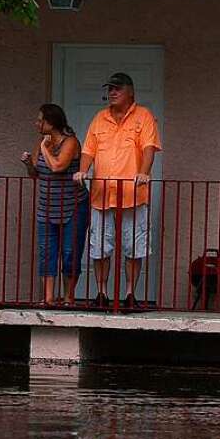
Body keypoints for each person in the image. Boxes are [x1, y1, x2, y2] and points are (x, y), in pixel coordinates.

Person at [74, 72, 161, 311]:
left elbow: (149, 148)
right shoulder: (99, 118)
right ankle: (102, 292)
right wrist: (82, 170)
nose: (112, 92)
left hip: (133, 194)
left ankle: (130, 293)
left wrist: (144, 173)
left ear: (130, 92)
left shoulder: (143, 116)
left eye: (117, 88)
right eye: (110, 88)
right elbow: (88, 150)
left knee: (134, 246)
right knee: (100, 246)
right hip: (102, 194)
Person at [21, 103, 89, 306]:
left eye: (41, 120)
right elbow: (36, 173)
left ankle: (69, 297)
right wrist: (28, 164)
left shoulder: (70, 142)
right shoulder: (41, 142)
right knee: (47, 252)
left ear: (52, 122)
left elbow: (58, 166)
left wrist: (44, 148)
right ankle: (48, 298)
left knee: (70, 252)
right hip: (47, 206)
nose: (37, 124)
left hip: (73, 206)